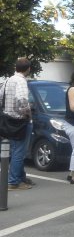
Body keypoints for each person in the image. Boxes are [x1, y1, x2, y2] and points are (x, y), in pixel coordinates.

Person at [1, 58, 34, 190]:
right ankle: (14, 181)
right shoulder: (21, 81)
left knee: (15, 150)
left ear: (16, 67)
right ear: (28, 69)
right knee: (19, 152)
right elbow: (22, 99)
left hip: (8, 120)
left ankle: (20, 178)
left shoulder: (8, 80)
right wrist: (27, 113)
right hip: (19, 121)